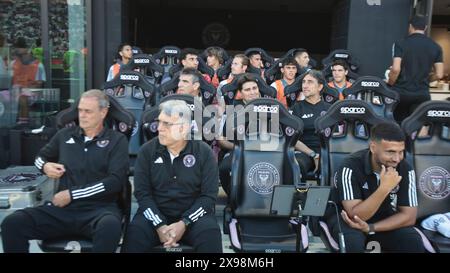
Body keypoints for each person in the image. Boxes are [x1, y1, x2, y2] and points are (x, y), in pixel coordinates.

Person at [1, 90, 130, 253]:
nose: (82, 115)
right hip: (62, 211)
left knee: (110, 226)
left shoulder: (117, 140)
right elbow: (39, 157)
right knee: (13, 223)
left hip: (99, 210)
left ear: (103, 112)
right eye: (80, 110)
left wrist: (72, 194)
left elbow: (114, 182)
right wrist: (45, 166)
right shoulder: (64, 135)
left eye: (88, 111)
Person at [121, 100, 222, 252]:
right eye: (159, 122)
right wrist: (159, 225)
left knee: (210, 234)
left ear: (184, 128)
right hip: (154, 213)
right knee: (135, 233)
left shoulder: (204, 152)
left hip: (194, 217)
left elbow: (208, 196)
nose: (159, 129)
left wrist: (184, 222)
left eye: (167, 124)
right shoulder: (147, 151)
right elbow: (142, 194)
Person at [327, 122, 424, 253]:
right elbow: (356, 215)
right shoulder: (349, 166)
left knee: (412, 240)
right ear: (373, 147)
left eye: (401, 152)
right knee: (352, 243)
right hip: (346, 220)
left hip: (382, 218)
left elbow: (409, 216)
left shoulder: (405, 169)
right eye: (390, 152)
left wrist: (371, 228)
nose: (396, 159)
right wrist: (384, 188)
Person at [387, 15, 443, 123]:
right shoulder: (436, 46)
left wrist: (390, 83)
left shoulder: (400, 43)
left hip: (402, 93)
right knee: (418, 127)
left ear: (410, 26)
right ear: (425, 28)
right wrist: (427, 79)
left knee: (399, 125)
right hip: (422, 94)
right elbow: (439, 74)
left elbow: (395, 69)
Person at [218, 73, 261, 196]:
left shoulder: (270, 106)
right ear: (241, 93)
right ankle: (233, 200)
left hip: (265, 150)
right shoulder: (233, 108)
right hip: (238, 150)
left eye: (254, 88)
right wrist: (239, 147)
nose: (252, 92)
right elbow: (222, 140)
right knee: (225, 168)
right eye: (247, 90)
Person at [291, 70, 331, 182]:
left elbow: (336, 135)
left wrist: (322, 155)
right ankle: (300, 197)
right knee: (297, 165)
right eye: (303, 82)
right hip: (304, 151)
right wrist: (313, 155)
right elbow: (292, 138)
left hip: (326, 150)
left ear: (320, 87)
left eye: (310, 82)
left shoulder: (330, 109)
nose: (305, 85)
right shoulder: (296, 108)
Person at [9, 37, 46, 124]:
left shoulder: (38, 65)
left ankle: (23, 124)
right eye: (17, 47)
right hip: (14, 91)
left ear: (28, 49)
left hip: (31, 92)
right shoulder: (13, 64)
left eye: (20, 46)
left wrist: (23, 88)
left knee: (23, 98)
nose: (17, 49)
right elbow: (9, 82)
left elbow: (39, 84)